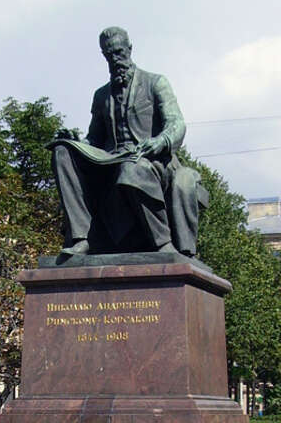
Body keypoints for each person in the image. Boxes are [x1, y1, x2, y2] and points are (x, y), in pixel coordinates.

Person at [50, 27, 203, 257]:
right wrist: (75, 142)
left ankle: (163, 244)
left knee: (132, 169)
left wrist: (159, 141)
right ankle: (81, 238)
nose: (115, 59)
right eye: (109, 55)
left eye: (119, 52)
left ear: (130, 49)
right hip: (111, 161)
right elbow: (94, 140)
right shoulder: (101, 95)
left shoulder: (155, 83)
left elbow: (177, 124)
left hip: (152, 161)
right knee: (62, 151)